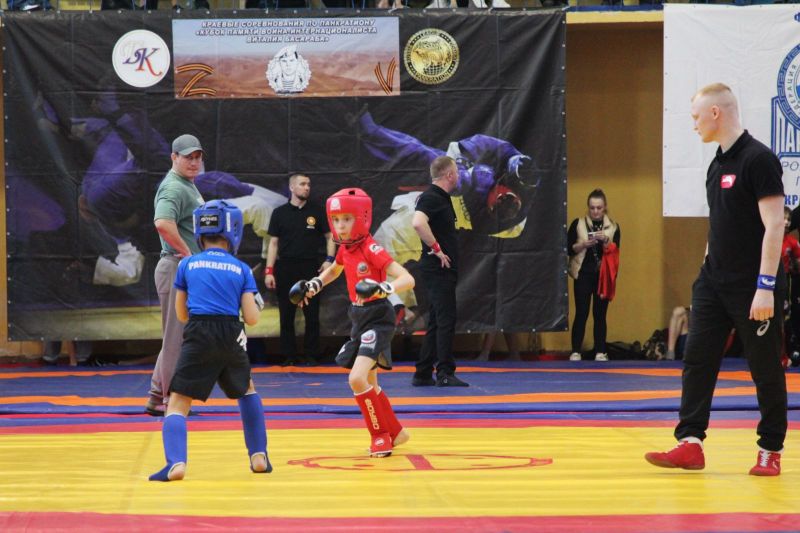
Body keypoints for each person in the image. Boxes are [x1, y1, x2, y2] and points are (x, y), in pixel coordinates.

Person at [645, 83, 787, 476]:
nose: (693, 125)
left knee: (764, 367)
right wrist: (705, 269)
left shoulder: (759, 159)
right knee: (697, 358)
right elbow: (719, 222)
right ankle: (690, 443)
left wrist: (765, 287)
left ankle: (770, 448)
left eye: (696, 117)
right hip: (713, 282)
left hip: (753, 285)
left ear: (715, 114)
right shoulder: (717, 164)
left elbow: (775, 225)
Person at [149, 200, 271, 481]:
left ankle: (176, 463)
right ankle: (259, 456)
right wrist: (252, 302)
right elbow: (251, 318)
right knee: (247, 390)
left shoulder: (187, 264)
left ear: (199, 232)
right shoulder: (241, 268)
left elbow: (181, 314)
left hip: (199, 331)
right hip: (231, 332)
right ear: (234, 231)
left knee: (178, 402)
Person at [290, 187, 414, 457]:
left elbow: (407, 278)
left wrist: (383, 288)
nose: (340, 226)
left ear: (362, 218)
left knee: (357, 378)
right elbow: (334, 270)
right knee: (371, 383)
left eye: (346, 219)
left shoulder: (371, 247)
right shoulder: (345, 248)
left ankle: (380, 436)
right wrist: (314, 284)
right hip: (358, 317)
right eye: (336, 220)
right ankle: (396, 432)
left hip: (378, 317)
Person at [145, 134, 205, 417]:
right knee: (176, 338)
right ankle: (171, 400)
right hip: (176, 266)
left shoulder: (185, 185)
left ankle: (157, 395)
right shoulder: (174, 187)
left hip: (179, 267)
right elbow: (162, 223)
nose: (193, 162)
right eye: (187, 157)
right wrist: (187, 253)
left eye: (197, 157)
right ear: (173, 157)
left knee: (176, 335)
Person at [265, 174, 335, 366]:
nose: (306, 187)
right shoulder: (279, 213)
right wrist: (269, 271)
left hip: (310, 267)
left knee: (312, 315)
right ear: (292, 188)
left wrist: (329, 260)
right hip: (286, 267)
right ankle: (289, 356)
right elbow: (273, 243)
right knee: (286, 315)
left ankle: (312, 355)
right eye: (302, 184)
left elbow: (330, 237)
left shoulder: (317, 211)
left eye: (308, 184)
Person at [411, 156, 469, 387]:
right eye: (457, 172)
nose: (459, 176)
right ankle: (444, 372)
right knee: (446, 319)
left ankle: (423, 372)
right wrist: (436, 249)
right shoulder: (432, 197)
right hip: (438, 269)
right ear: (449, 175)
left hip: (441, 269)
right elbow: (418, 222)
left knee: (437, 320)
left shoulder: (440, 198)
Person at [567, 189, 621, 361]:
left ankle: (600, 351)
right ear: (588, 207)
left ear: (605, 207)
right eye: (592, 208)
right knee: (581, 312)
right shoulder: (578, 224)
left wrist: (606, 241)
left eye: (599, 208)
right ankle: (576, 350)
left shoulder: (613, 227)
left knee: (600, 314)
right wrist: (583, 244)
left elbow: (616, 251)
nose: (595, 211)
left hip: (602, 276)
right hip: (583, 274)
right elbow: (568, 249)